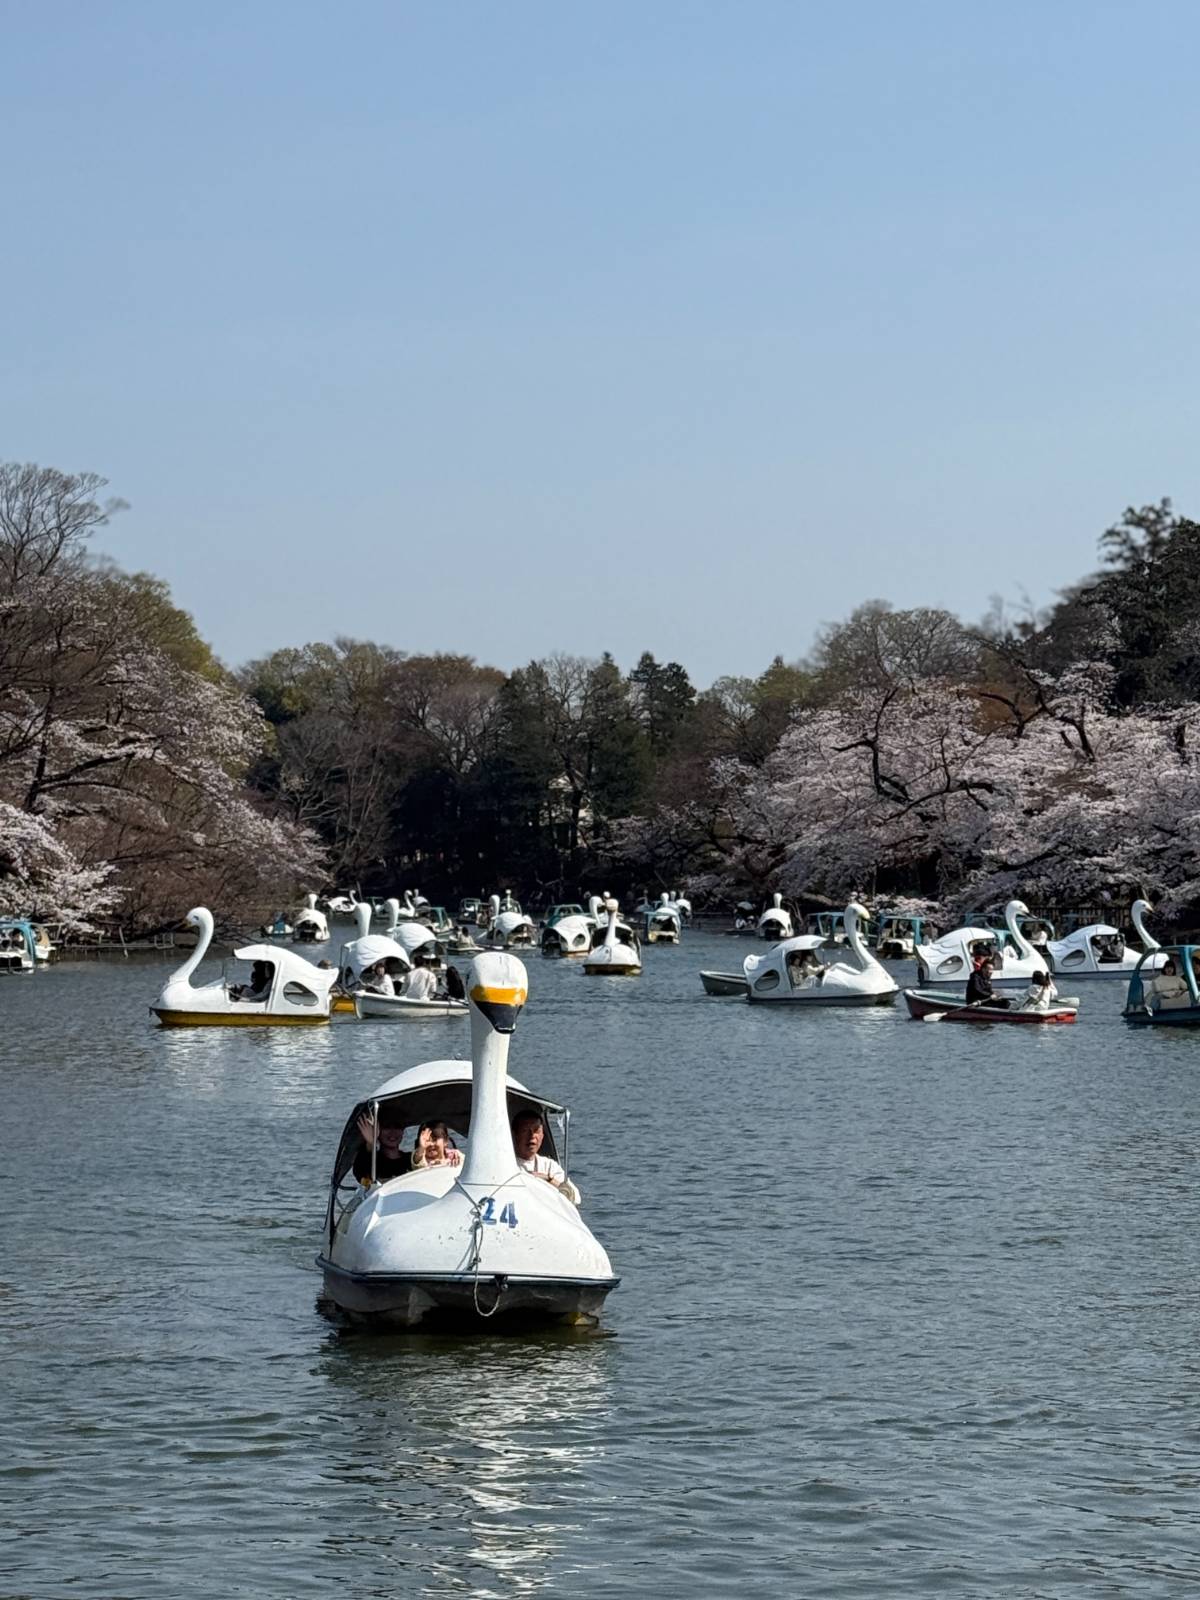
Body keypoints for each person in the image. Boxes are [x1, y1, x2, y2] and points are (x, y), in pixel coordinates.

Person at [511, 1111, 580, 1203]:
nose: (532, 1136)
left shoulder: (549, 1166)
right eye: (525, 1130)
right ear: (515, 1135)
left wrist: (549, 1180)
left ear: (542, 1135)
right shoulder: (507, 1163)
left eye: (536, 1131)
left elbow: (575, 1198)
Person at [353, 1112, 411, 1185]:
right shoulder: (372, 1161)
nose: (392, 1132)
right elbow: (360, 1171)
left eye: (397, 1127)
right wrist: (371, 1143)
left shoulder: (412, 1160)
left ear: (402, 1131)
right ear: (377, 1130)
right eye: (386, 1127)